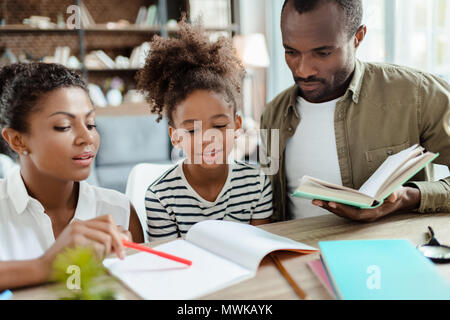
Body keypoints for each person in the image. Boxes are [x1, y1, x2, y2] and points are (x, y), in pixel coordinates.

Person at [261, 0, 450, 222]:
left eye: (322, 53)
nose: (303, 70)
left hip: (387, 253)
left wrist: (409, 197)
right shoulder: (273, 114)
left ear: (358, 37)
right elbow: (266, 204)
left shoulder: (417, 94)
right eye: (291, 51)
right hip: (294, 254)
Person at [0, 63, 144, 290]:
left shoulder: (120, 211)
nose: (87, 138)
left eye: (90, 123)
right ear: (18, 140)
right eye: (64, 126)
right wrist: (46, 266)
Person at [137, 20, 273, 241]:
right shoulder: (160, 197)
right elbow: (169, 265)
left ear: (237, 126)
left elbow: (260, 250)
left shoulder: (256, 184)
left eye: (219, 126)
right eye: (192, 130)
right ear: (175, 137)